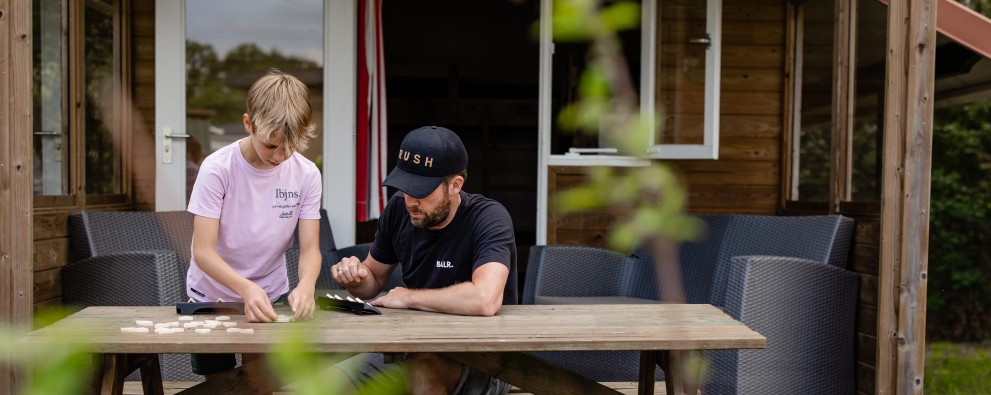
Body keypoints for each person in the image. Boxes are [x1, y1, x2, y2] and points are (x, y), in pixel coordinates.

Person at [331, 125, 518, 395]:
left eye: (421, 191)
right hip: (410, 347)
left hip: (485, 358)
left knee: (422, 372)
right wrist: (354, 276)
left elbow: (485, 299)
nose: (410, 201)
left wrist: (408, 297)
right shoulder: (398, 209)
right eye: (405, 188)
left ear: (455, 186)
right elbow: (372, 281)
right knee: (327, 383)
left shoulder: (488, 217)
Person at [185, 69, 323, 387]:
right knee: (221, 386)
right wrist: (244, 288)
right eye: (271, 146)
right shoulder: (217, 169)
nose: (281, 156)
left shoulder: (306, 175)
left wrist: (306, 285)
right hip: (212, 294)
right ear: (249, 124)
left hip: (270, 291)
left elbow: (311, 249)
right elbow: (203, 252)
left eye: (290, 146)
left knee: (261, 383)